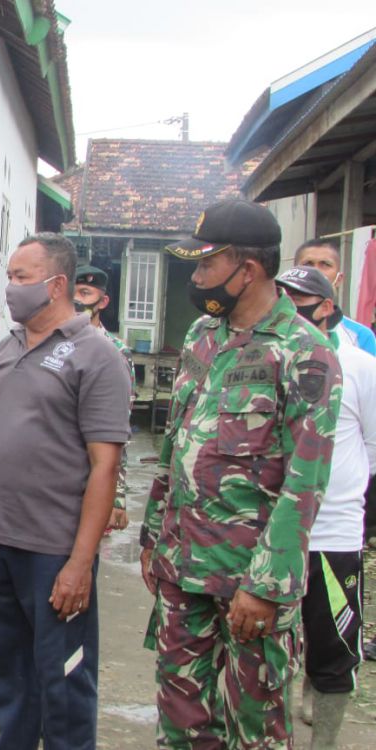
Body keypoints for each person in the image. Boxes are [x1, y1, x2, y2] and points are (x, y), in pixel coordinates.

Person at [140, 199, 342, 747]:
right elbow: (177, 440)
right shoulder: (202, 336)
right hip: (183, 567)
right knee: (180, 719)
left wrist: (267, 586)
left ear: (247, 269)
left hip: (248, 582)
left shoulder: (305, 353)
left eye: (207, 264)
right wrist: (154, 534)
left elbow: (305, 482)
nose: (196, 277)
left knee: (253, 727)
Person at [0, 233, 132, 750]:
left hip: (52, 549)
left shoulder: (97, 356)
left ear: (56, 284)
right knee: (6, 671)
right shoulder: (6, 349)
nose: (10, 287)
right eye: (9, 276)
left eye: (21, 277)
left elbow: (105, 466)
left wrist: (80, 563)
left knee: (64, 678)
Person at [274, 266, 376, 749]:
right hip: (273, 534)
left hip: (333, 534)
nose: (289, 311)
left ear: (327, 308)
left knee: (334, 647)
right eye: (283, 300)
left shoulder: (360, 367)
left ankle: (325, 743)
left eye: (299, 303)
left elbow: (373, 450)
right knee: (268, 646)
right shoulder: (269, 357)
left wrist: (355, 511)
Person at [74, 264, 134, 532]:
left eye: (85, 293)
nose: (77, 301)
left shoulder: (116, 352)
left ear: (103, 301)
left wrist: (117, 496)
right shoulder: (53, 343)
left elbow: (119, 428)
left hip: (92, 472)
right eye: (73, 293)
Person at [294, 238, 376, 356]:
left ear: (339, 279)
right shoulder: (272, 326)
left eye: (325, 264)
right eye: (308, 264)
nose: (315, 271)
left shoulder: (361, 336)